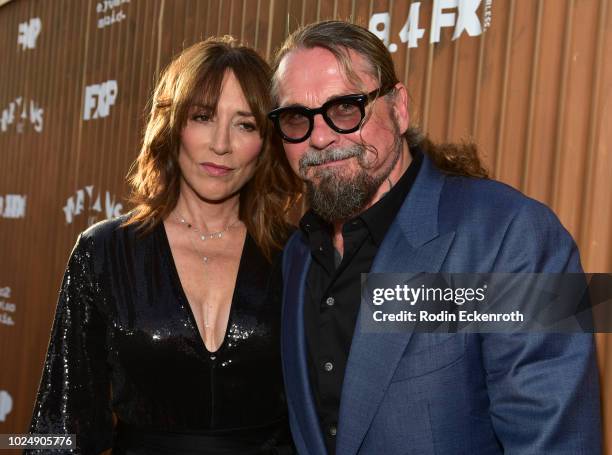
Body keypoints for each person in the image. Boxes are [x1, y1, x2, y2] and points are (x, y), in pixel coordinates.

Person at [269, 21, 602, 455]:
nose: (319, 137)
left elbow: (558, 443)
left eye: (346, 108)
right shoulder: (297, 253)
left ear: (399, 108)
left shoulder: (516, 234)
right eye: (297, 118)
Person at [28, 36, 300, 454]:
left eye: (245, 124)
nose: (221, 144)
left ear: (265, 142)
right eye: (204, 117)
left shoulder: (296, 256)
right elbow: (61, 426)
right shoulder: (104, 252)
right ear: (172, 124)